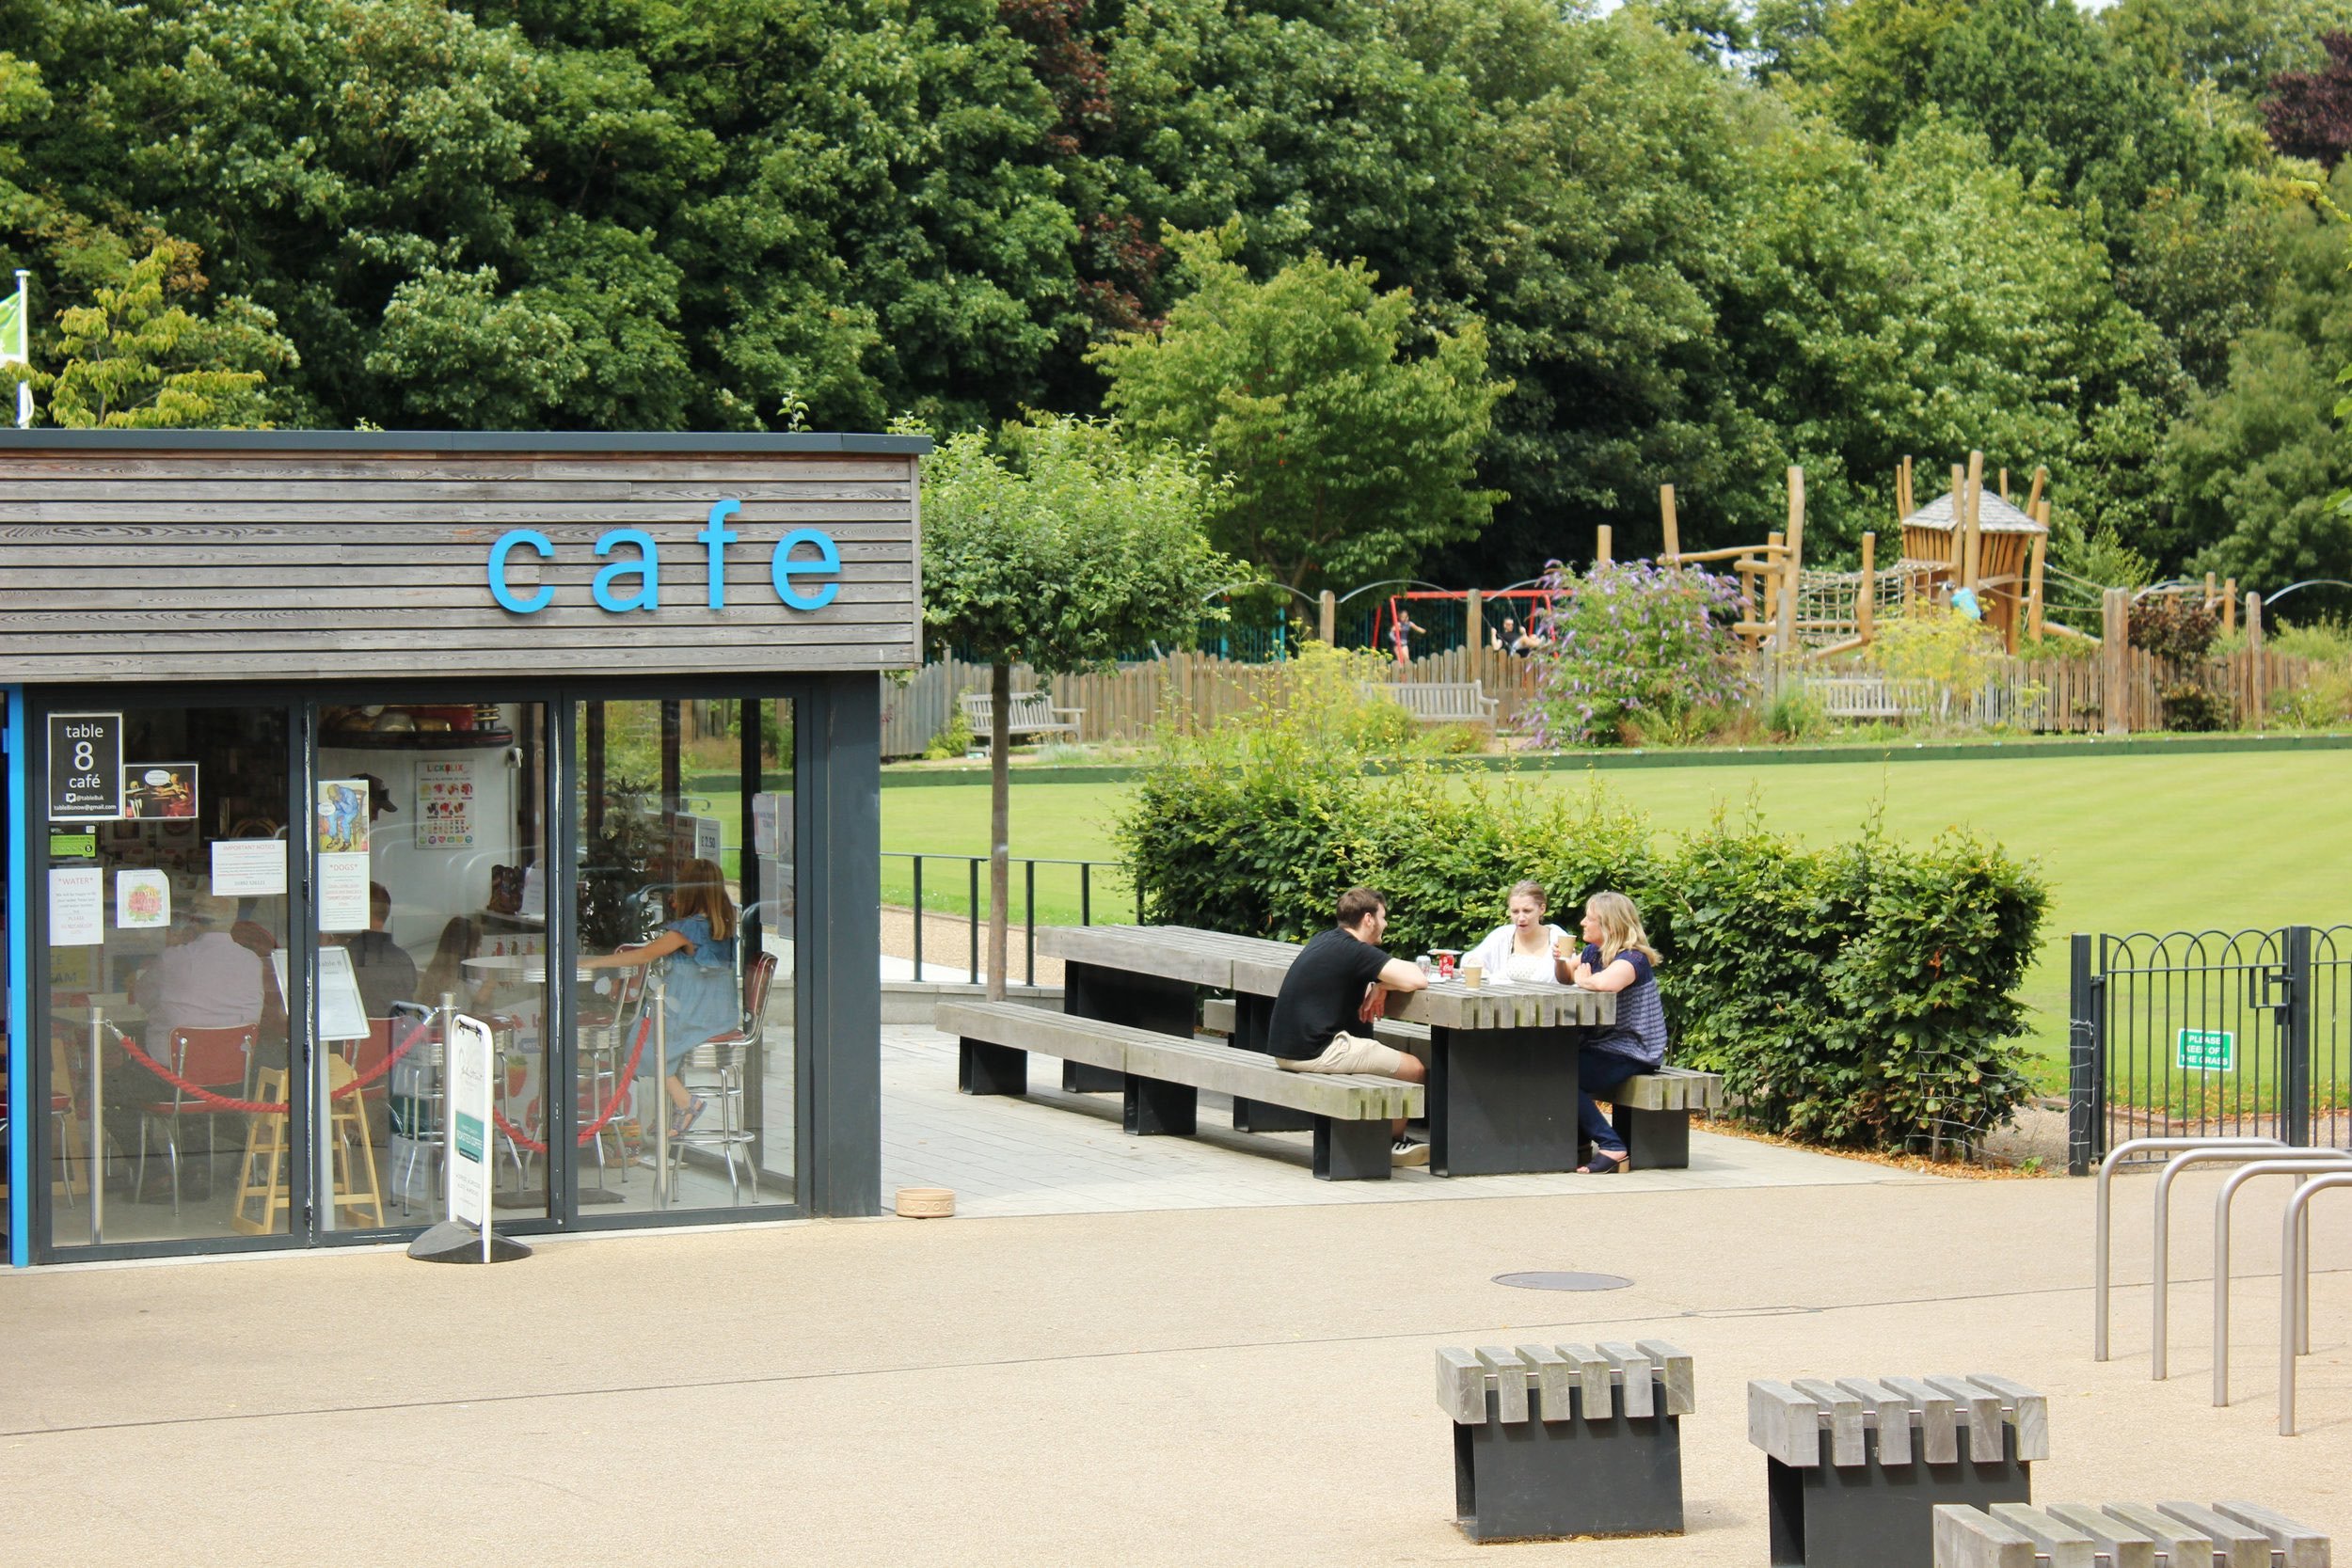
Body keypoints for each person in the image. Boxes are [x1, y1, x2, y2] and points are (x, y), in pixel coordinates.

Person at [1265, 887, 1432, 1165]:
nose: (1386, 924)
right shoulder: (1355, 950)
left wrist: (1379, 984)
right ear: (1368, 919)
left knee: (1377, 1053)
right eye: (1383, 917)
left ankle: (1378, 1135)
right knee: (1413, 1068)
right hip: (1317, 1051)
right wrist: (1384, 984)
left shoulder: (1325, 939)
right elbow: (1417, 978)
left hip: (1287, 1048)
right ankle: (1392, 1143)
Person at [579, 858, 740, 1140]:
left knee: (644, 1043)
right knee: (653, 1037)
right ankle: (680, 1105)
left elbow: (646, 954)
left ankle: (686, 1103)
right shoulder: (722, 925)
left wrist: (594, 962)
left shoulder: (687, 930)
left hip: (694, 1012)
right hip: (719, 1012)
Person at [1554, 890, 1668, 1174]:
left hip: (1632, 1050)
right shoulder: (1595, 952)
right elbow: (1566, 975)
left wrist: (1585, 978)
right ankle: (1578, 1144)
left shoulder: (1633, 960)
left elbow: (1603, 984)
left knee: (1564, 1075)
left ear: (1609, 925)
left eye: (1589, 919)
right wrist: (1561, 961)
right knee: (1548, 1063)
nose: (1582, 923)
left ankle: (1612, 1146)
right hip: (1603, 1045)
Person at [1461, 881, 1574, 986]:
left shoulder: (1558, 938)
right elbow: (1472, 957)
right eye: (1515, 911)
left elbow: (1571, 976)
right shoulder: (1502, 935)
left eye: (1527, 911)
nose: (1521, 918)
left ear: (1542, 909)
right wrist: (1474, 962)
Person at [338, 882, 418, 1020]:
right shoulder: (404, 959)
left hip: (357, 1039)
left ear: (358, 911)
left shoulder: (345, 958)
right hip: (399, 1037)